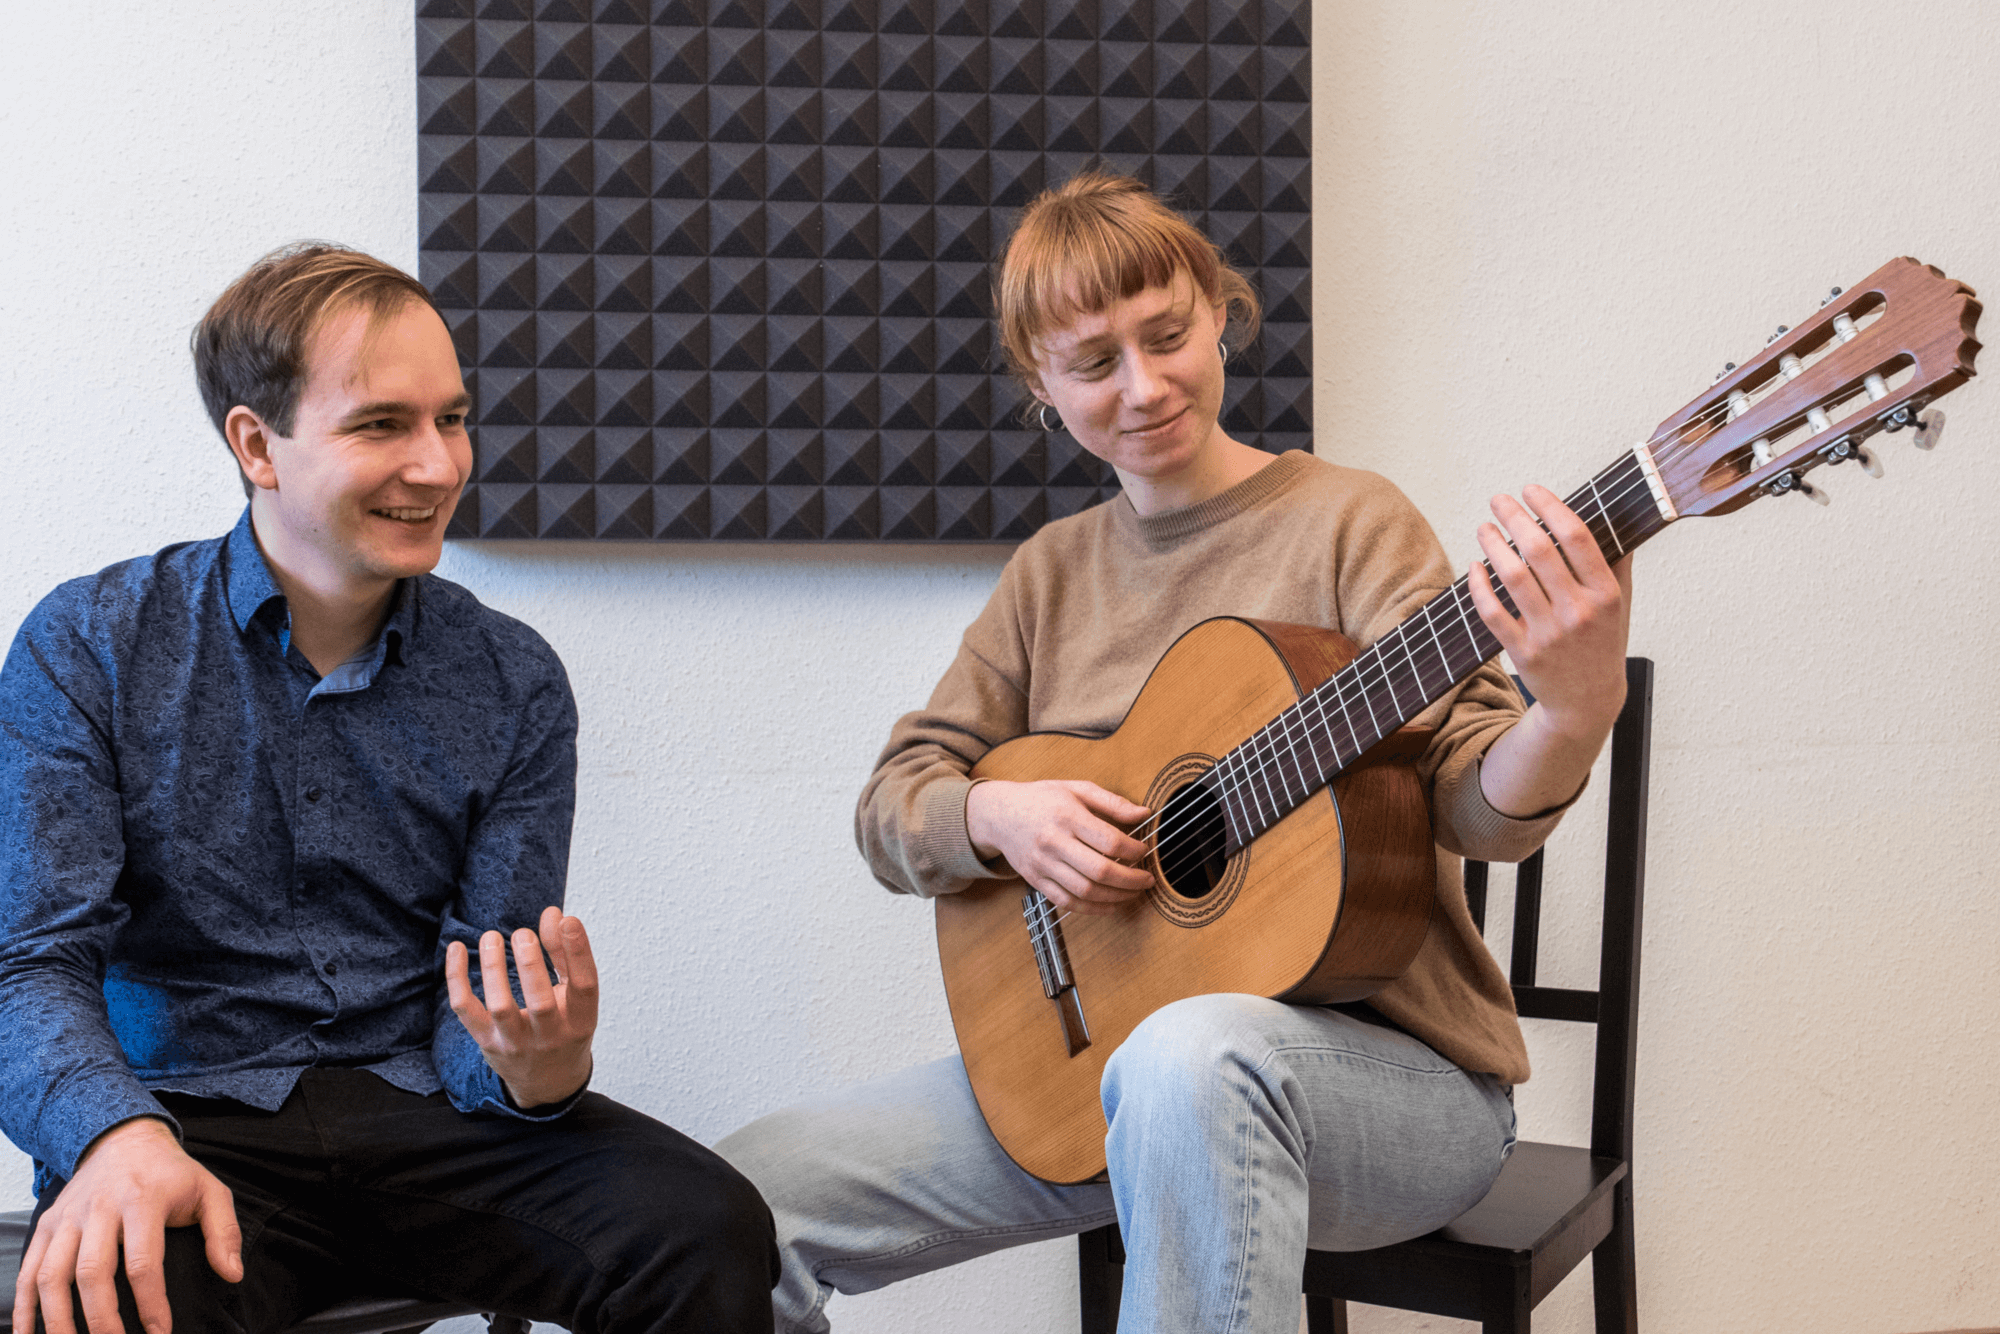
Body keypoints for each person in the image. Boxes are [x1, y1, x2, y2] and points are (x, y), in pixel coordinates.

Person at [717, 171, 1634, 1334]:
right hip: (1090, 1075)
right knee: (733, 1198)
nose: (1143, 387)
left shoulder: (1350, 521)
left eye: (1166, 337)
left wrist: (1571, 708)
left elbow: (1474, 800)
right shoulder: (1049, 574)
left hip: (1400, 1091)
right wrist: (997, 819)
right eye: (1094, 363)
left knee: (1185, 1057)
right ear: (1040, 386)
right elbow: (891, 807)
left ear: (1218, 312)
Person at [0, 244, 778, 1334]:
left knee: (703, 1223)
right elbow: (29, 962)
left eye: (451, 418)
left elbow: (485, 996)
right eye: (382, 425)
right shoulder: (88, 644)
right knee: (117, 1295)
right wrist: (112, 1136)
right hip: (180, 1121)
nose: (438, 464)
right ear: (255, 444)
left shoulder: (513, 679)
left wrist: (534, 1071)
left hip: (424, 1112)